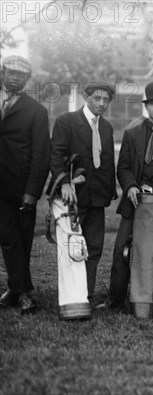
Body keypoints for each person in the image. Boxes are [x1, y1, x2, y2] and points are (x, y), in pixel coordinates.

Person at [97, 81, 153, 310]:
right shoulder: (132, 132)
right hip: (135, 203)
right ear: (146, 107)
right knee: (122, 251)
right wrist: (130, 187)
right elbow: (123, 167)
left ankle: (151, 299)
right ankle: (115, 298)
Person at [49, 81, 117, 303]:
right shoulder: (66, 121)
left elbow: (107, 163)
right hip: (73, 198)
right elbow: (56, 154)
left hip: (97, 198)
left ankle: (86, 295)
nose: (101, 103)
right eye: (96, 98)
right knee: (72, 247)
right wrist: (65, 183)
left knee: (94, 248)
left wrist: (108, 193)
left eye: (106, 100)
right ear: (86, 97)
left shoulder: (106, 127)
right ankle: (72, 297)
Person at [0, 55, 50, 314]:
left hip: (21, 189)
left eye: (21, 75)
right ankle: (23, 291)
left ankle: (16, 289)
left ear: (27, 80)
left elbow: (42, 154)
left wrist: (32, 191)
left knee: (21, 240)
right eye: (11, 73)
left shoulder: (37, 111)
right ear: (3, 72)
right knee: (8, 238)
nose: (15, 78)